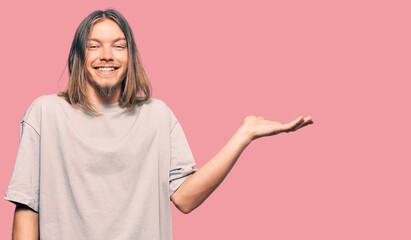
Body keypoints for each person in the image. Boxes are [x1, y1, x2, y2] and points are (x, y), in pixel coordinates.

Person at [4, 9, 313, 240]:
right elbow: (28, 208)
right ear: (78, 55)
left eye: (119, 46)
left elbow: (185, 198)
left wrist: (244, 134)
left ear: (130, 56)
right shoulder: (45, 113)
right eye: (94, 45)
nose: (107, 56)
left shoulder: (157, 115)